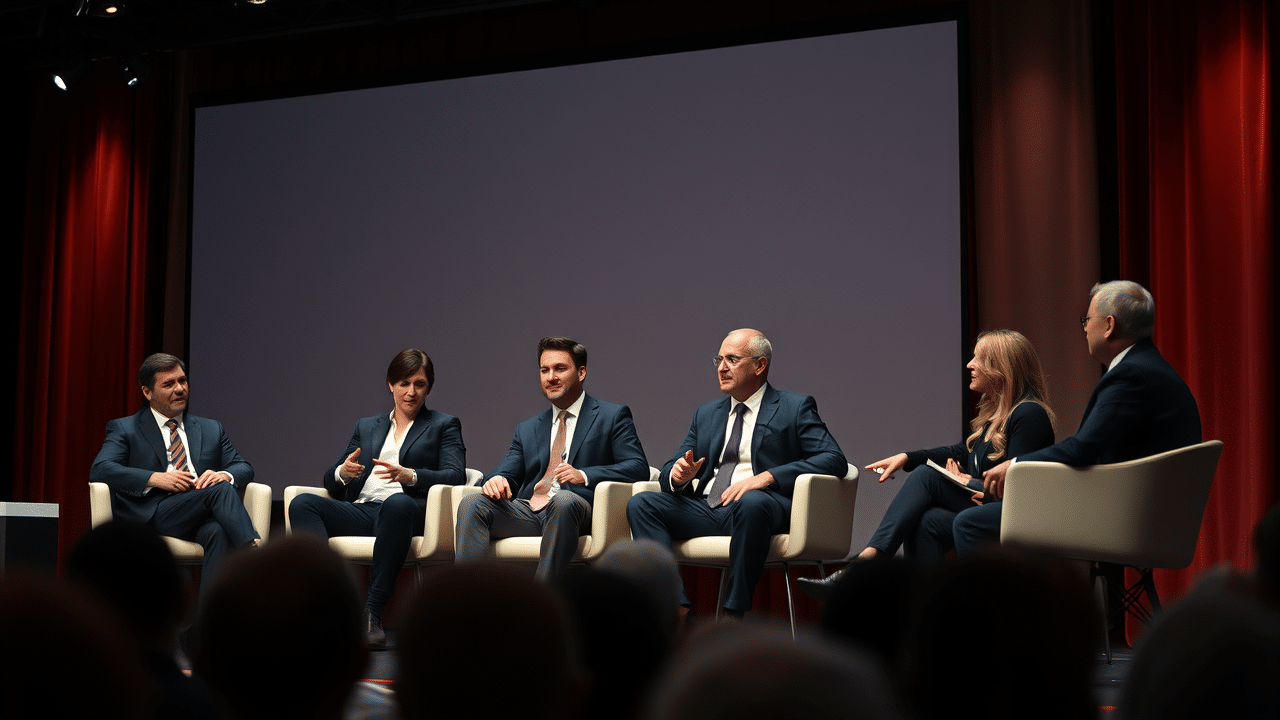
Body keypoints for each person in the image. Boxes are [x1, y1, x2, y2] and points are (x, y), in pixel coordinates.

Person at [799, 329, 1055, 599]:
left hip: (1010, 513)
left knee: (927, 476)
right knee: (926, 522)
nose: (970, 364)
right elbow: (961, 452)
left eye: (979, 358)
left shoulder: (1029, 413)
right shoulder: (994, 417)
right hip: (985, 503)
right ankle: (929, 611)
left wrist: (972, 483)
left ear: (1001, 367)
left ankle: (862, 566)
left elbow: (1025, 483)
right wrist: (907, 458)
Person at [958, 280, 1202, 551]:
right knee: (941, 519)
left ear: (1109, 325)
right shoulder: (1147, 367)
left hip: (1125, 518)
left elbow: (1082, 449)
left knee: (969, 522)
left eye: (1087, 319)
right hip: (1145, 511)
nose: (1084, 328)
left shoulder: (1131, 375)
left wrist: (1013, 464)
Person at [626, 328, 847, 617]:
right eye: (718, 359)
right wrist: (677, 476)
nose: (721, 368)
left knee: (752, 502)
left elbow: (834, 459)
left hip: (762, 508)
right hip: (708, 509)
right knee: (641, 503)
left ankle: (734, 612)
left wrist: (768, 477)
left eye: (731, 359)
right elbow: (673, 466)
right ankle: (677, 607)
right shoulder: (706, 414)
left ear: (759, 365)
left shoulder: (794, 407)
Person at [289, 348, 465, 647]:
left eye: (419, 384)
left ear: (428, 387)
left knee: (396, 504)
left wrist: (409, 475)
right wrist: (343, 472)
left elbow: (455, 475)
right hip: (364, 510)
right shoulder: (367, 426)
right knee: (302, 503)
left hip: (405, 511)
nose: (411, 392)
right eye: (404, 383)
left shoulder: (443, 425)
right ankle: (324, 603)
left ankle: (372, 612)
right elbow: (331, 479)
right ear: (390, 384)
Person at [456, 336, 649, 580]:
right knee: (473, 504)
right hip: (530, 512)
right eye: (544, 370)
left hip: (577, 510)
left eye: (560, 369)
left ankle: (540, 605)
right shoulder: (527, 428)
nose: (551, 378)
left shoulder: (611, 416)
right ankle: (465, 603)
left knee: (564, 501)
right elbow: (506, 472)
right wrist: (495, 480)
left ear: (581, 372)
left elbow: (638, 467)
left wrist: (585, 475)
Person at [90, 353, 259, 588]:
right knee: (218, 491)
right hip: (153, 513)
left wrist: (224, 474)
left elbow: (243, 467)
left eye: (182, 381)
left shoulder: (211, 428)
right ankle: (255, 557)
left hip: (196, 511)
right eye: (169, 384)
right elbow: (100, 469)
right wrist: (154, 478)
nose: (179, 389)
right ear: (147, 392)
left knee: (218, 532)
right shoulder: (125, 428)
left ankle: (207, 620)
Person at [194, 537, 369, 720]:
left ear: (203, 665)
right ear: (361, 663)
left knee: (215, 530)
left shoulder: (171, 706)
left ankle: (249, 543)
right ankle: (249, 542)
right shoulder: (385, 710)